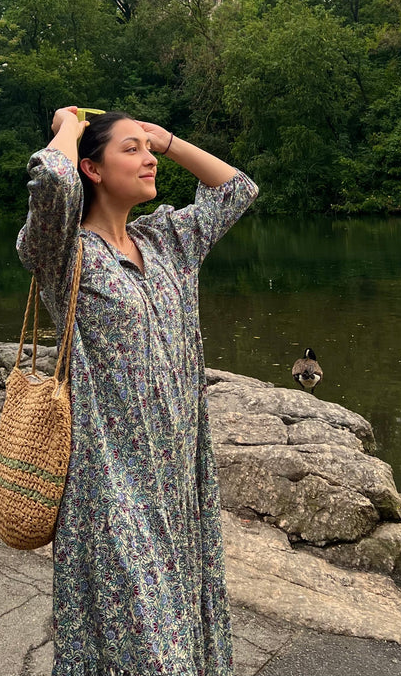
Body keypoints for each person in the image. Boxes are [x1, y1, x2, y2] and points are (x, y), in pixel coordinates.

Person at [17, 106, 258, 676]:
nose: (148, 158)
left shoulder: (169, 240)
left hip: (178, 480)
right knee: (153, 651)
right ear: (92, 169)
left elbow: (237, 189)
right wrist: (67, 125)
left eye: (146, 148)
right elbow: (52, 179)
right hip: (110, 486)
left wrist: (167, 138)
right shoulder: (63, 253)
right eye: (131, 149)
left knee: (173, 636)